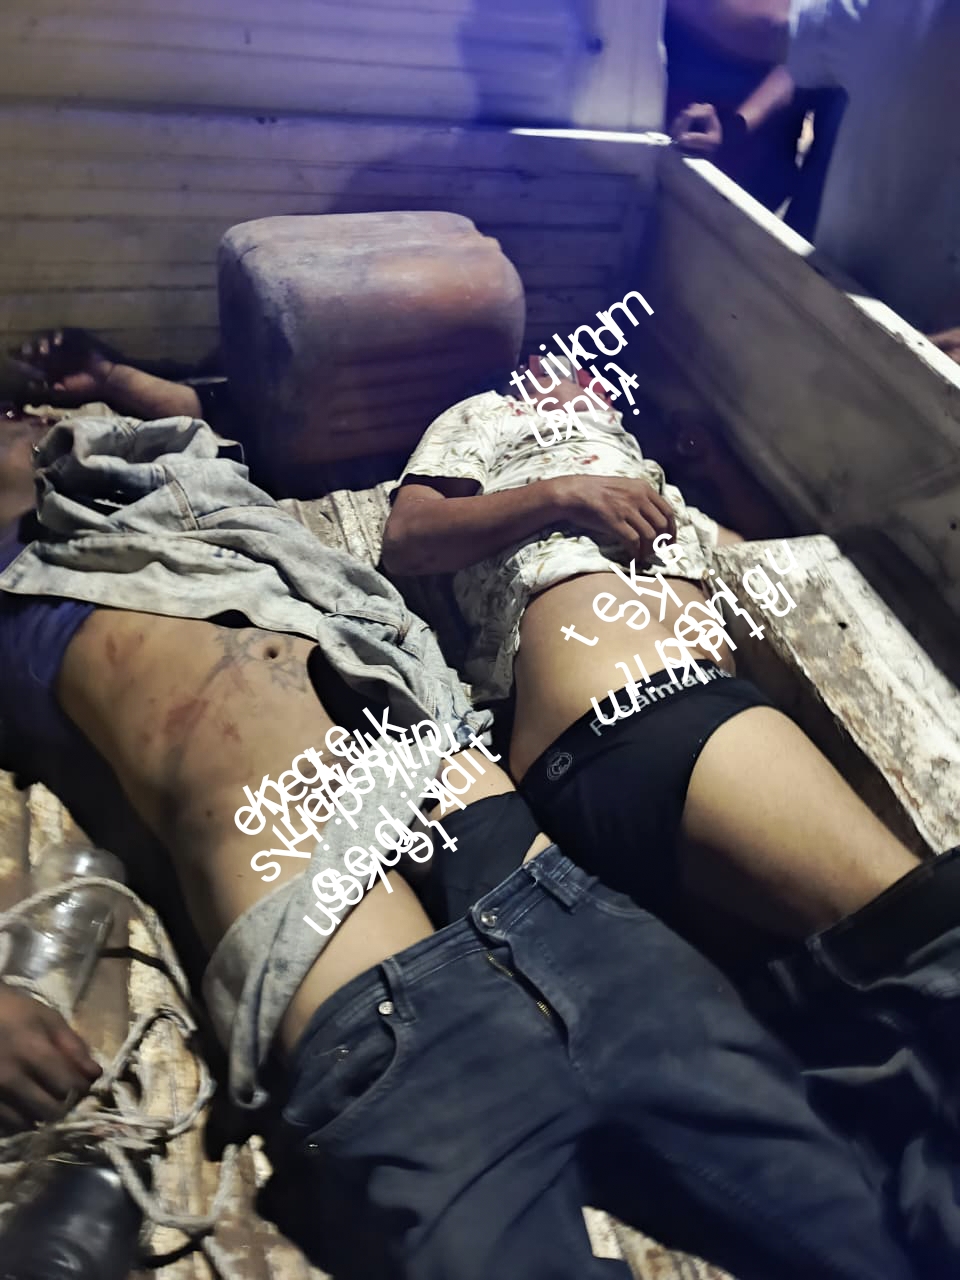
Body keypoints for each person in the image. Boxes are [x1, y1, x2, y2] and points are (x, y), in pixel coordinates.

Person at [0, 358, 920, 1279]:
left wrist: (102, 370)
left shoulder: (190, 487)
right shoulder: (23, 589)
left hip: (537, 883)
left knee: (859, 1230)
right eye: (11, 419)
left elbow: (186, 412)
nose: (36, 421)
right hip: (339, 937)